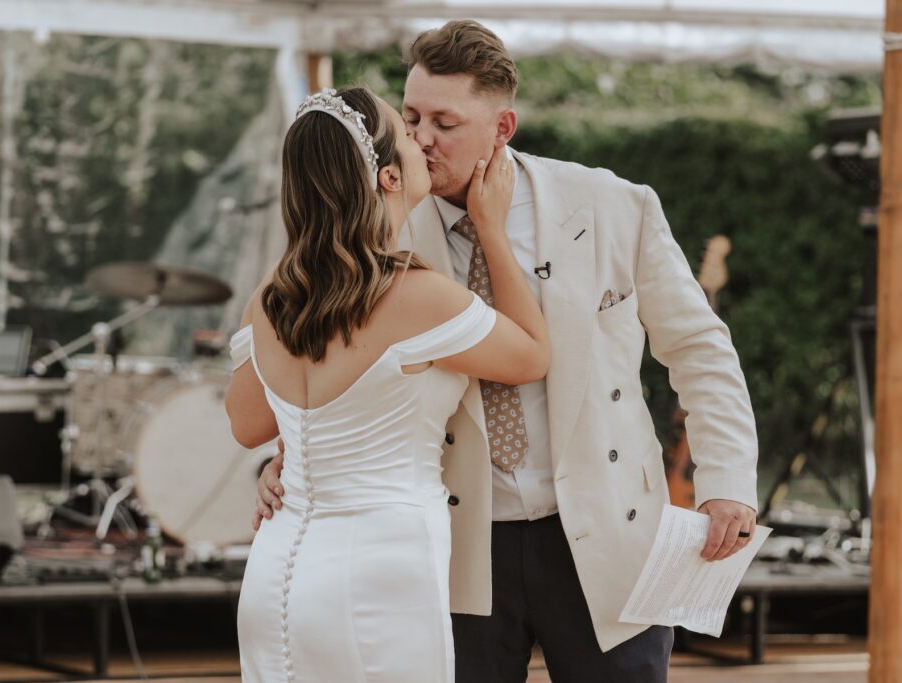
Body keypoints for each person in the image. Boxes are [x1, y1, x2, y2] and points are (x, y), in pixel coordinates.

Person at [254, 20, 760, 683]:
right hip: (457, 542)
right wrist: (289, 456)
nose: (421, 138)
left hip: (605, 529)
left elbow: (699, 348)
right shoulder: (377, 227)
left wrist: (727, 483)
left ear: (503, 128)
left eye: (445, 121)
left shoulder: (613, 205)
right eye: (410, 118)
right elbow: (325, 358)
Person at [226, 85, 550, 683]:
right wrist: (492, 230)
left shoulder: (272, 297)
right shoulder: (415, 296)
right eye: (405, 133)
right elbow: (530, 355)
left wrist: (297, 455)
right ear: (389, 179)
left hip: (277, 576)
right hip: (379, 576)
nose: (422, 141)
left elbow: (250, 424)